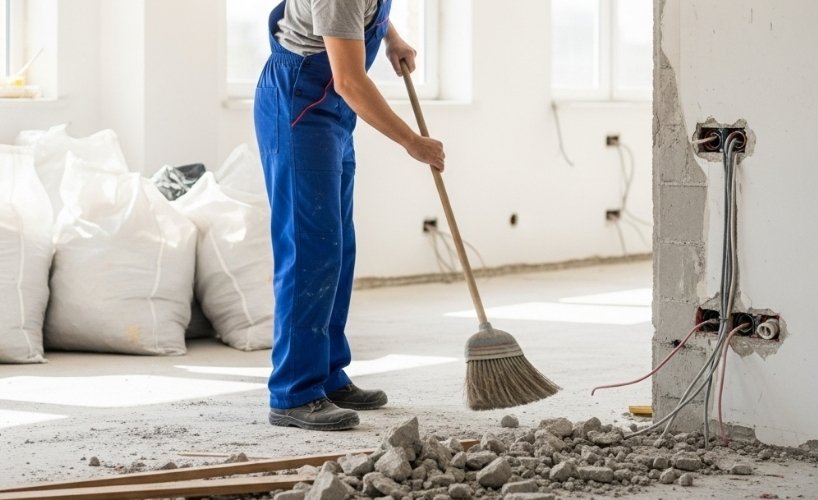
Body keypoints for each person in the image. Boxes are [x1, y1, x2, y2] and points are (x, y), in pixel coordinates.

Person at [255, 0, 446, 431]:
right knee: (309, 249)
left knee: (337, 244)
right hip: (299, 102)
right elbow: (351, 81)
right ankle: (294, 392)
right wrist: (412, 142)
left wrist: (393, 38)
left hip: (330, 107)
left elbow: (362, 15)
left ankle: (326, 375)